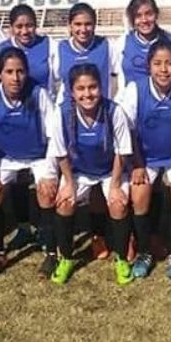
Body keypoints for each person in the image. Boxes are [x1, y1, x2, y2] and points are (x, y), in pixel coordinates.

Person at [117, 39, 171, 279]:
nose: (164, 69)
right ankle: (144, 252)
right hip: (146, 157)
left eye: (170, 63)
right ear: (149, 66)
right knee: (139, 194)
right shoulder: (135, 90)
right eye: (158, 64)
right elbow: (127, 131)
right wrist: (138, 165)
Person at [47, 64, 133, 285]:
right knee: (64, 203)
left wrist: (115, 185)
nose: (87, 94)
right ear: (72, 92)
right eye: (81, 89)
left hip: (109, 172)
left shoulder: (114, 111)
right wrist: (68, 182)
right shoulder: (62, 113)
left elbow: (122, 152)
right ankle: (66, 257)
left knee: (118, 204)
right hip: (78, 172)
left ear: (101, 87)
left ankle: (122, 259)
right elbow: (60, 152)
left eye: (93, 87)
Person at [0, 47, 58, 277]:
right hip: (6, 157)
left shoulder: (39, 93)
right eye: (9, 71)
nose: (15, 77)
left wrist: (50, 173)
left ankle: (51, 253)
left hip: (38, 156)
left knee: (46, 191)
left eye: (20, 71)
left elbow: (54, 136)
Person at [113, 0, 171, 94]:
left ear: (156, 14)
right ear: (132, 19)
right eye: (138, 16)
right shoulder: (122, 43)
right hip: (132, 105)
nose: (144, 20)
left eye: (149, 14)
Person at [54, 2, 116, 104]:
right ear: (70, 26)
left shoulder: (108, 45)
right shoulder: (59, 48)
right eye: (78, 24)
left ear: (95, 25)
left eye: (88, 24)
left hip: (100, 112)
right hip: (70, 113)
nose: (83, 29)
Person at [0, 4, 56, 98]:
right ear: (11, 27)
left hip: (43, 106)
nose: (24, 31)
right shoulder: (1, 48)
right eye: (19, 26)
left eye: (29, 26)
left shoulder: (49, 45)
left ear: (36, 25)